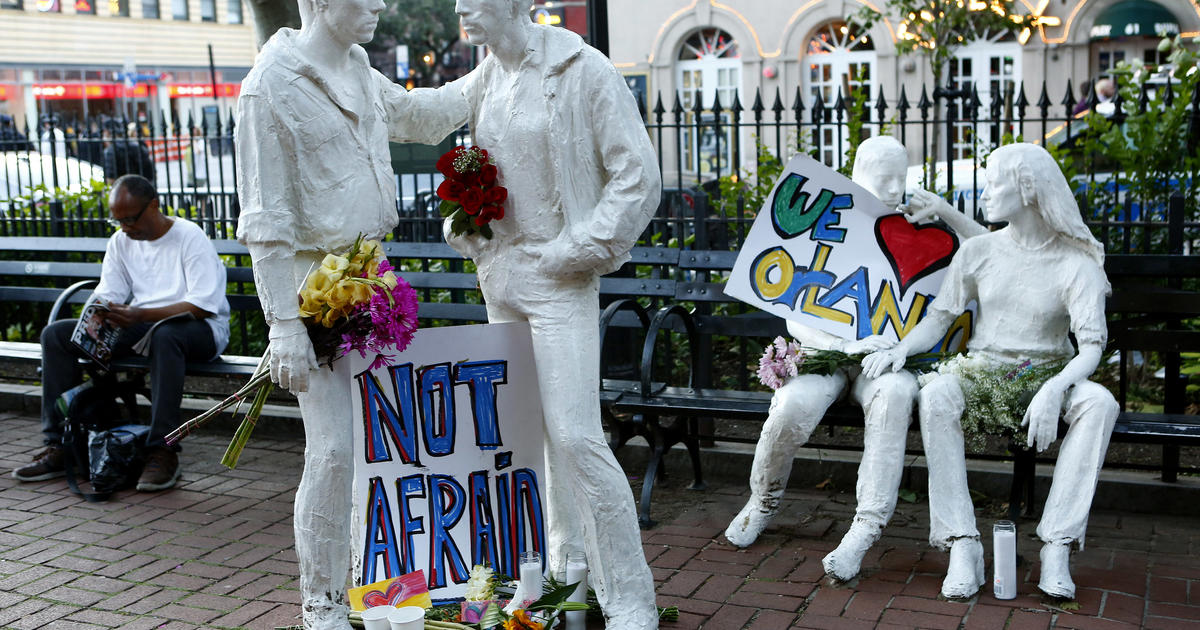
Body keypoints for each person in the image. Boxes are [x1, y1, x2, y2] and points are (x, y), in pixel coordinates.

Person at [233, 0, 468, 625]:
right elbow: (266, 222)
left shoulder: (360, 68)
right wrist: (283, 325)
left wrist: (502, 57)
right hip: (314, 288)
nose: (381, 5)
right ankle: (322, 602)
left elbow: (422, 117)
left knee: (384, 450)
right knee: (334, 450)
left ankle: (380, 585)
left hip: (373, 279)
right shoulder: (270, 87)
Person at [443, 0, 661, 626]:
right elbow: (419, 112)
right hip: (501, 277)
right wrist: (345, 62)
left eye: (473, 2)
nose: (462, 11)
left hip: (558, 276)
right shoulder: (488, 75)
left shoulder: (580, 68)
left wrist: (579, 248)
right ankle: (560, 571)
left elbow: (637, 174)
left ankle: (629, 594)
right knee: (522, 439)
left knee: (574, 434)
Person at [862, 143, 1117, 599]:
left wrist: (1056, 389)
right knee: (937, 394)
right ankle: (962, 544)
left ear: (1028, 190)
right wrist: (901, 349)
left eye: (994, 181)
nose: (984, 192)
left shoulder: (1076, 265)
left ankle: (1056, 545)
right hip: (984, 371)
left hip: (1050, 371)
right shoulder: (979, 251)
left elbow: (1091, 349)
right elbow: (941, 318)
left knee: (1099, 402)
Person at [723, 136, 982, 583]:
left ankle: (866, 525)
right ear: (856, 175)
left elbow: (995, 249)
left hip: (884, 360)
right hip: (826, 352)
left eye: (901, 179)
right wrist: (843, 346)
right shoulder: (825, 215)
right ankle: (762, 497)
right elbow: (795, 307)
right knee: (790, 407)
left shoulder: (919, 226)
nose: (894, 190)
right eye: (883, 180)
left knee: (898, 394)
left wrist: (945, 213)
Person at [12, 174, 231, 492]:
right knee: (55, 335)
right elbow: (109, 292)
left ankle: (162, 450)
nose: (125, 227)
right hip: (142, 326)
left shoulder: (189, 236)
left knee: (166, 336)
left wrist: (140, 314)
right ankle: (62, 445)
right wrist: (100, 317)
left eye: (130, 219)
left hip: (199, 330)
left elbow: (202, 305)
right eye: (118, 221)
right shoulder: (121, 242)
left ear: (154, 206)